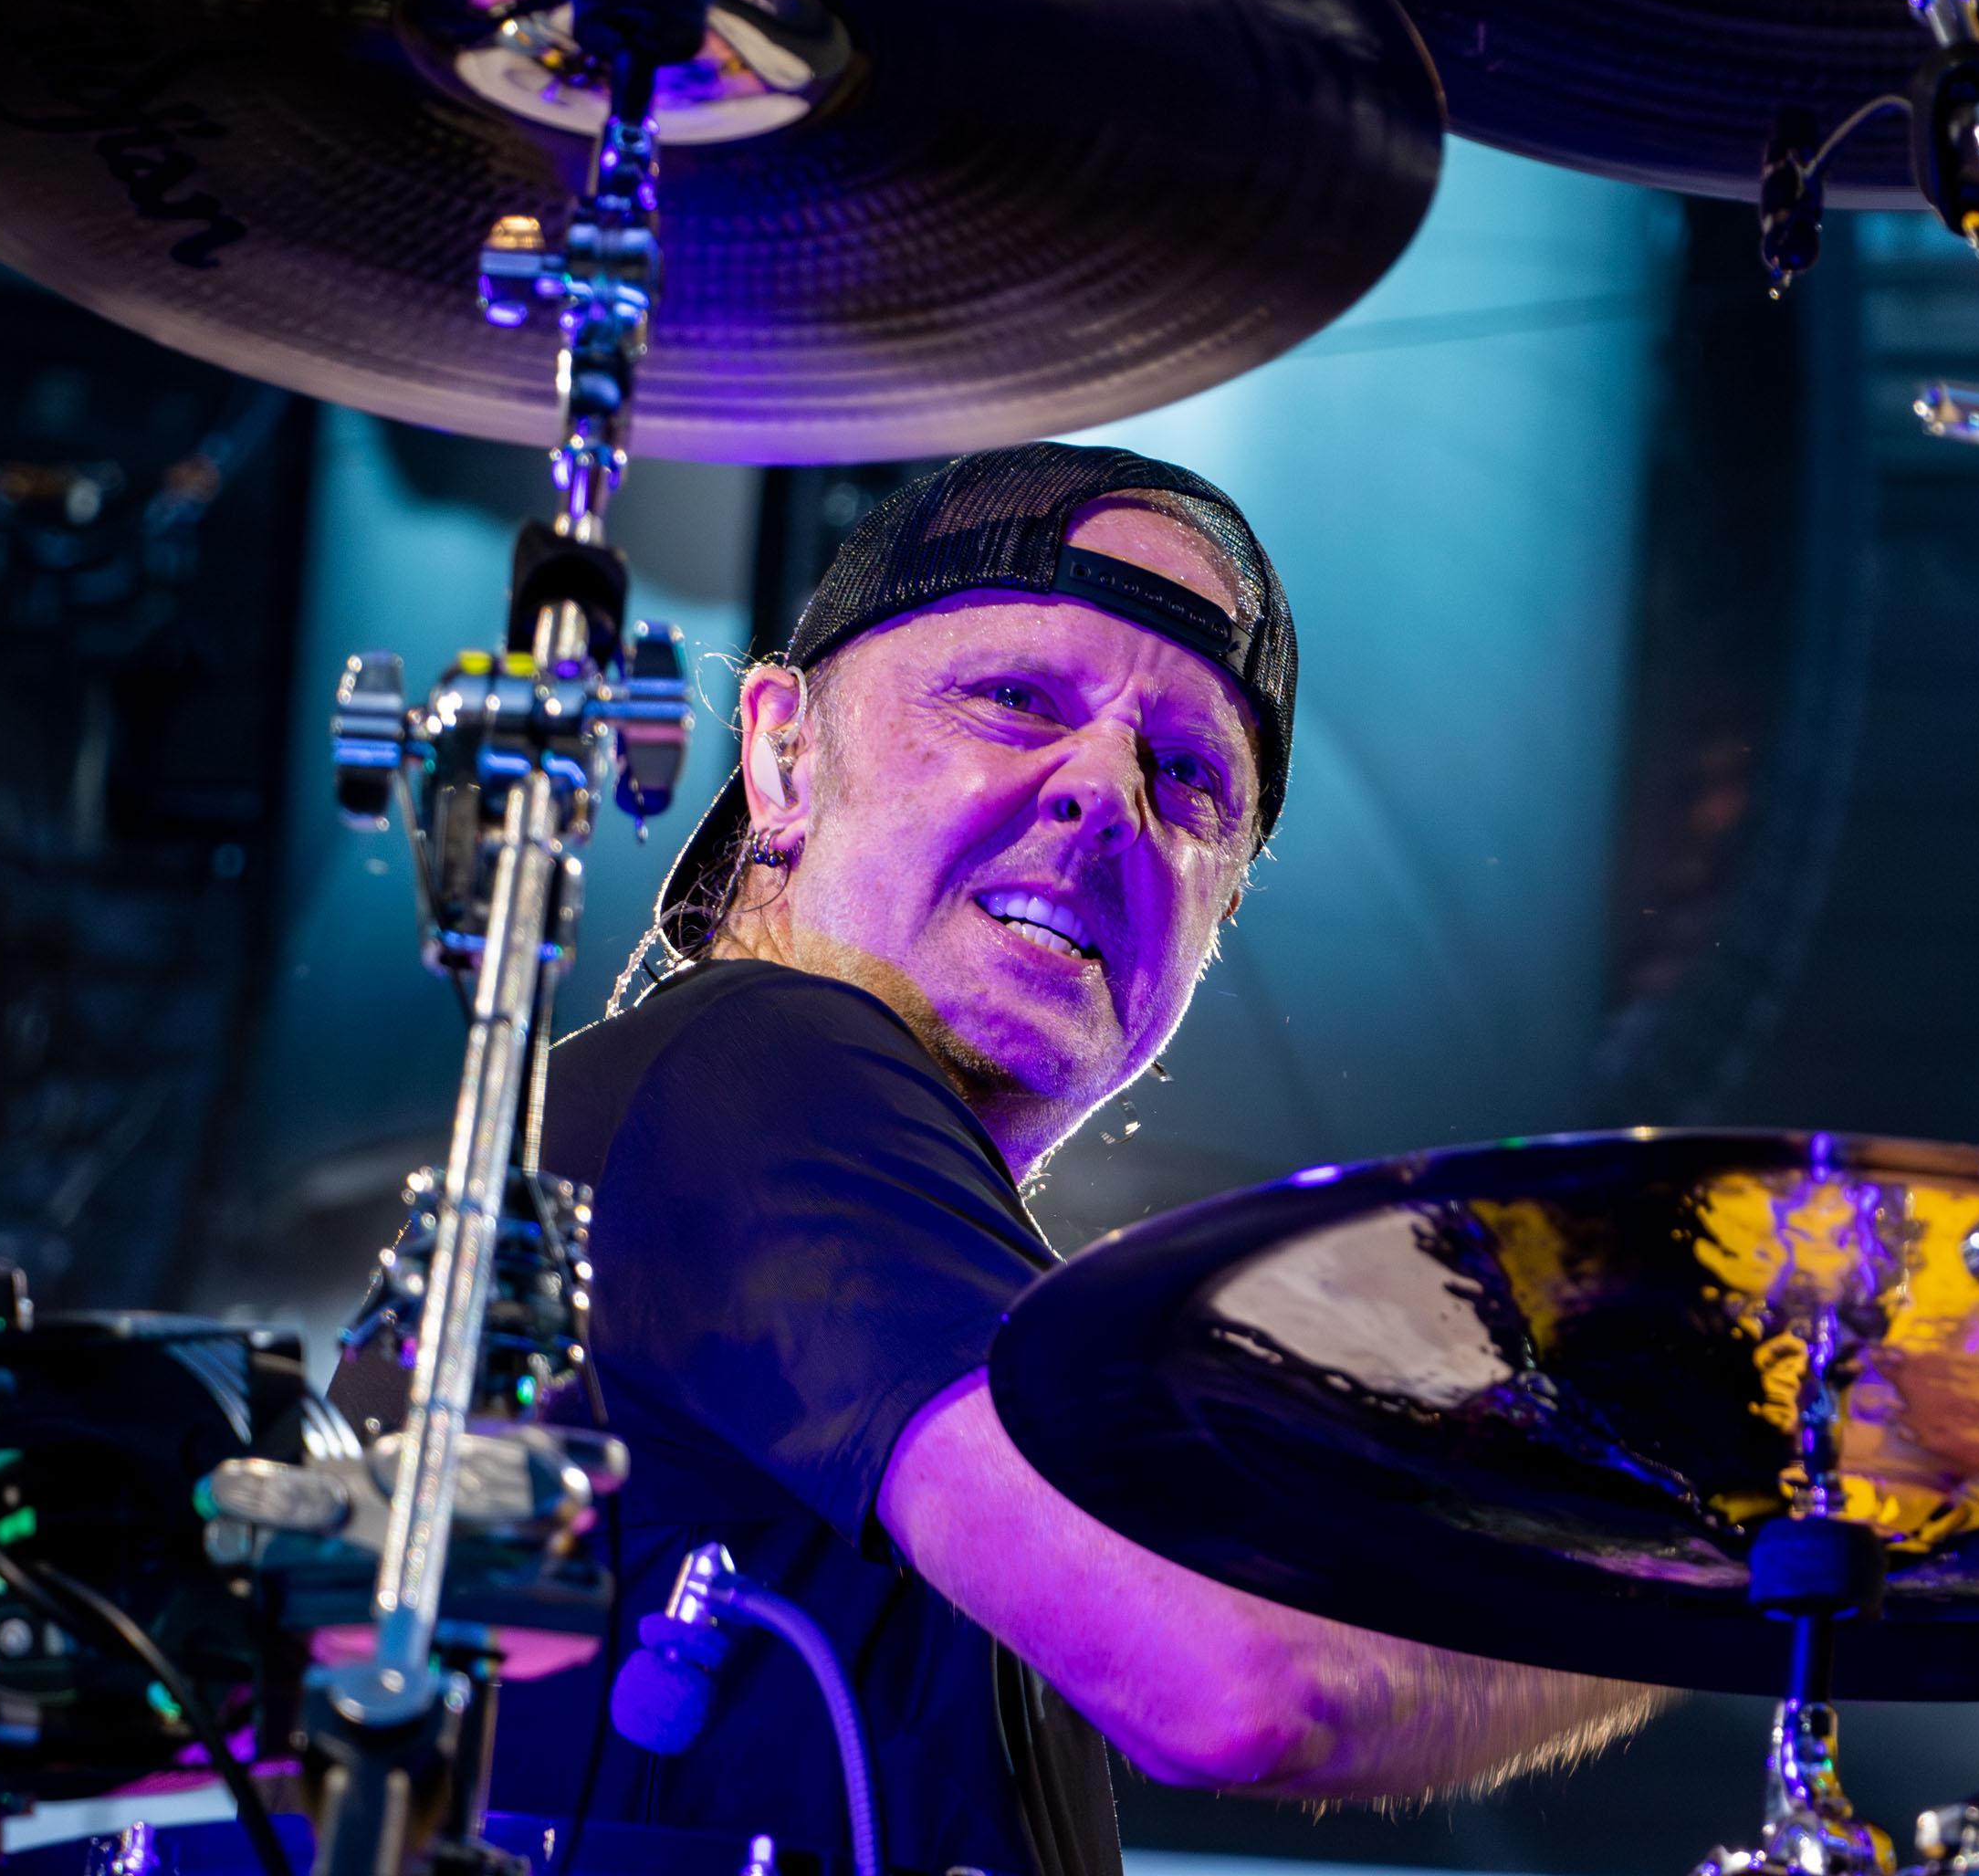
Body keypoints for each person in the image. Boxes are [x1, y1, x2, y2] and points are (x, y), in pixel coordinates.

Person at [465, 443, 1662, 1876]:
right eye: (1017, 699)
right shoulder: (762, 1064)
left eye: (1188, 775)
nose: (1105, 790)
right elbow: (1239, 1682)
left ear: (1218, 917)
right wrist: (1727, 1554)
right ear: (783, 751)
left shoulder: (755, 1157)